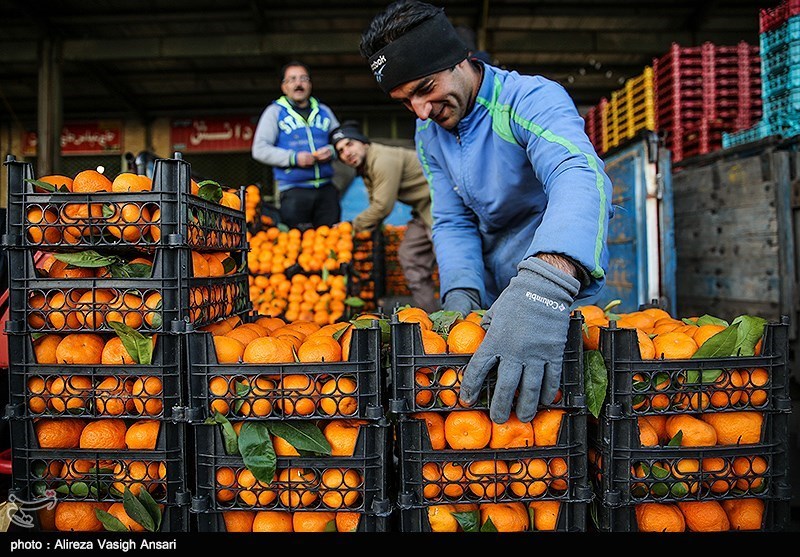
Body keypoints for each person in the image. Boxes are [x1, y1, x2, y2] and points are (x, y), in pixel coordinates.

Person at [360, 1, 613, 423]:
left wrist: (545, 286)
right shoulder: (429, 134)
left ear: (459, 60)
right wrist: (461, 294)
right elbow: (452, 219)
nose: (421, 111)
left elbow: (578, 173)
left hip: (553, 290)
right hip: (495, 297)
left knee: (555, 415)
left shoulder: (528, 98)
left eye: (425, 88)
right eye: (405, 102)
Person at [330, 121, 439, 313]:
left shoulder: (382, 159)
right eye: (340, 151)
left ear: (363, 142)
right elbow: (375, 206)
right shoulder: (366, 169)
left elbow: (382, 206)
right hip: (422, 210)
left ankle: (463, 315)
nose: (346, 153)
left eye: (349, 144)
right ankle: (431, 315)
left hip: (440, 204)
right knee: (409, 254)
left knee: (448, 255)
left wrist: (350, 226)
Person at [251, 61, 341, 229]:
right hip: (293, 192)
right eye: (292, 79)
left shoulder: (324, 111)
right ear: (284, 87)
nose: (298, 84)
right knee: (296, 245)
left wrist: (332, 151)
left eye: (303, 79)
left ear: (310, 84)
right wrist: (293, 158)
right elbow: (259, 149)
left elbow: (341, 141)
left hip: (327, 190)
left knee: (332, 242)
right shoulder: (275, 112)